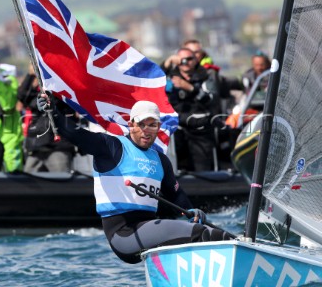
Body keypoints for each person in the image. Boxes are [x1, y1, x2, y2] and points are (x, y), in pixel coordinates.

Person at [37, 94, 232, 264]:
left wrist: (190, 211)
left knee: (203, 229)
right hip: (124, 234)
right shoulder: (111, 146)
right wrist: (53, 112)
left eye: (152, 125)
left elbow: (176, 193)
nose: (146, 130)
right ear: (131, 125)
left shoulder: (161, 160)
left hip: (149, 229)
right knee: (203, 234)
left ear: (158, 127)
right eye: (141, 124)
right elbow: (77, 135)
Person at [162, 47, 221, 172]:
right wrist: (167, 63)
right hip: (177, 127)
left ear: (196, 60)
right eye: (182, 59)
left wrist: (190, 88)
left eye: (189, 59)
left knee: (202, 164)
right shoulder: (170, 76)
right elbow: (152, 80)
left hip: (200, 126)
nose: (186, 62)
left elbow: (211, 100)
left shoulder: (205, 76)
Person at [17, 65, 76, 172]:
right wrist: (30, 75)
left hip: (58, 147)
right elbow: (22, 97)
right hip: (37, 147)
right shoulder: (37, 89)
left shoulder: (64, 85)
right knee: (29, 183)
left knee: (60, 182)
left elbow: (54, 101)